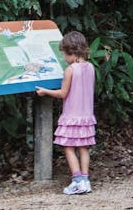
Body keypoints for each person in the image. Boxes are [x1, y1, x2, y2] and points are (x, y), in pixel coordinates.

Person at [36, 30, 96, 195]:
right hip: (87, 116)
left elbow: (63, 93)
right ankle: (85, 180)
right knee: (84, 148)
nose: (63, 58)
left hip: (71, 116)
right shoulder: (90, 67)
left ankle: (77, 181)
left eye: (64, 54)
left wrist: (45, 91)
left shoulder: (70, 70)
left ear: (71, 52)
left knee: (68, 147)